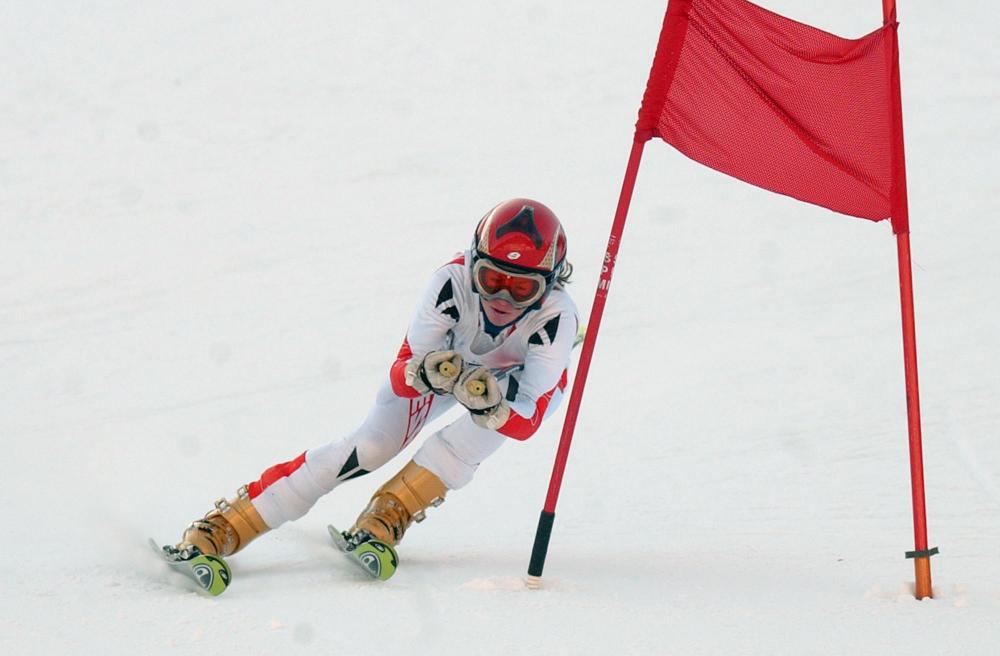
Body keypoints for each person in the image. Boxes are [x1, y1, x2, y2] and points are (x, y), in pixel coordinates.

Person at [168, 198, 579, 567]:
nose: (503, 299)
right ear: (474, 265)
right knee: (371, 447)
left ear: (550, 286)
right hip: (444, 369)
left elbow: (529, 418)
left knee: (469, 441)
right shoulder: (450, 283)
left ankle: (387, 514)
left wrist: (496, 410)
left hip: (510, 381)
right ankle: (229, 524)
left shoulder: (557, 317)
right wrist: (423, 372)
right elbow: (403, 374)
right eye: (492, 280)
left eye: (523, 288)